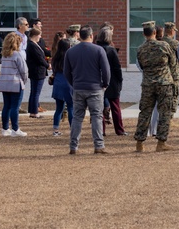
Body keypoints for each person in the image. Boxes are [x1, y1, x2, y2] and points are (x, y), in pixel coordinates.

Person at [64, 25, 111, 154]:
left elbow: (66, 72)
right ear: (91, 36)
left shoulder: (71, 51)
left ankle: (74, 146)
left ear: (79, 35)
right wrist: (105, 84)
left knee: (77, 117)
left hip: (78, 87)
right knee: (96, 116)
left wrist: (73, 83)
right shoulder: (99, 50)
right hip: (95, 88)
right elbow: (106, 70)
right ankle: (98, 145)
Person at [134, 21, 178, 152]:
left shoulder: (140, 49)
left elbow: (141, 66)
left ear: (144, 34)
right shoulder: (164, 46)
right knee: (165, 113)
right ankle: (161, 142)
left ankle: (139, 142)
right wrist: (175, 82)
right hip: (164, 83)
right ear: (155, 32)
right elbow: (173, 65)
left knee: (145, 113)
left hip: (148, 84)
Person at [96, 26, 126, 136]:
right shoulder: (111, 50)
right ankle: (119, 130)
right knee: (115, 107)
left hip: (98, 81)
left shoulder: (96, 48)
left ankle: (101, 131)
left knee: (100, 108)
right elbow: (117, 67)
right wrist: (120, 79)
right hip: (112, 81)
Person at [0, 33, 28, 137]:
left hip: (5, 83)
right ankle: (15, 129)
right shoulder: (17, 54)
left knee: (6, 106)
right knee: (15, 107)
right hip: (15, 83)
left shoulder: (4, 55)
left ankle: (5, 128)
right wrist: (24, 81)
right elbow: (24, 71)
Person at [50, 39, 74, 136]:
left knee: (59, 108)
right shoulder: (70, 57)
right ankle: (73, 129)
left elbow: (54, 70)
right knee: (71, 108)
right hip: (68, 83)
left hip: (58, 82)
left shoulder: (55, 57)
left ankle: (55, 130)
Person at [25, 28, 49, 118]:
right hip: (37, 71)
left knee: (34, 92)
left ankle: (32, 110)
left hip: (37, 71)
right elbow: (39, 58)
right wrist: (47, 65)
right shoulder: (32, 45)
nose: (40, 37)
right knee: (36, 92)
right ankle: (34, 112)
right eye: (39, 35)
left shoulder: (35, 44)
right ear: (35, 35)